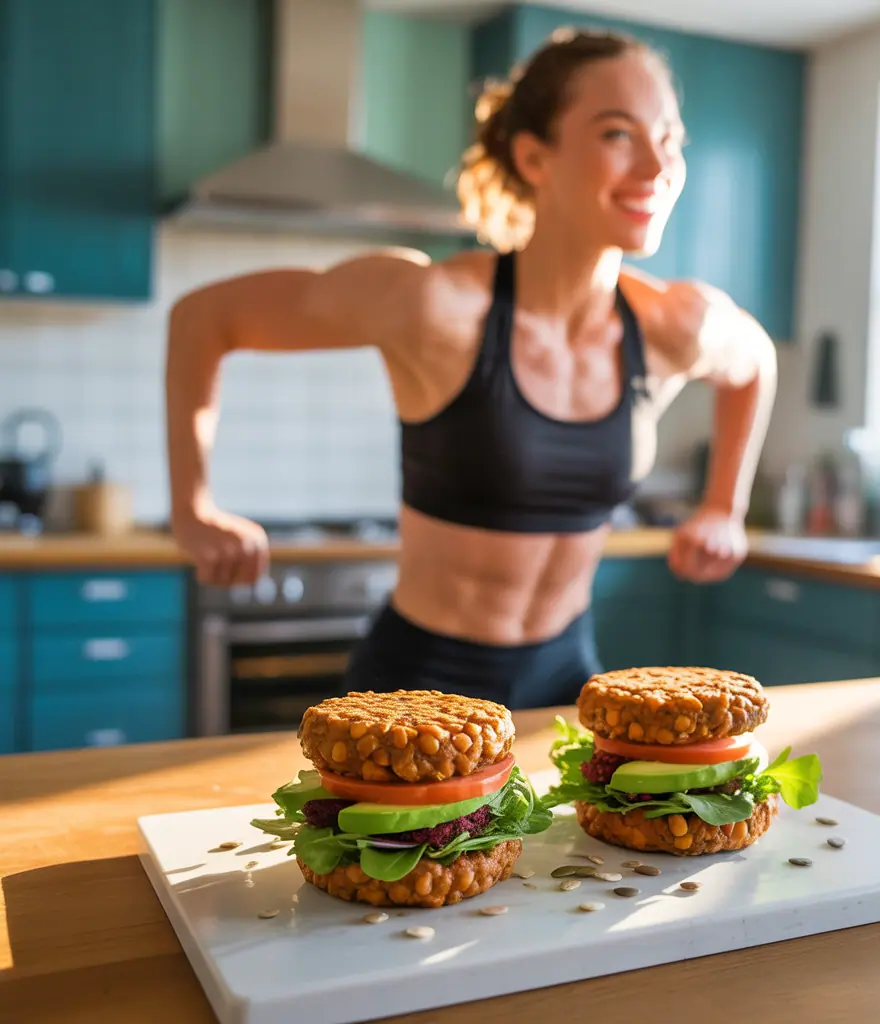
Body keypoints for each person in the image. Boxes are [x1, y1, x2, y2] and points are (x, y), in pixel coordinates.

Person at [165, 28, 777, 709]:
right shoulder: (436, 308)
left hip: (566, 672)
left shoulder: (672, 326)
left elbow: (754, 363)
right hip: (418, 684)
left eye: (671, 138)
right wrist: (192, 508)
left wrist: (725, 506)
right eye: (617, 135)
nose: (658, 165)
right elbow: (202, 319)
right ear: (534, 157)